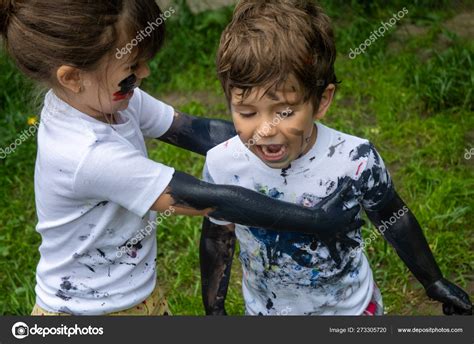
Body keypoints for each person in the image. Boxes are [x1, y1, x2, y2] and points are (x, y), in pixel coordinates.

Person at [0, 0, 361, 315]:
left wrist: (271, 137)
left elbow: (190, 129)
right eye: (132, 69)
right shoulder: (86, 153)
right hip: (85, 312)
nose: (145, 74)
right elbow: (208, 200)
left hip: (134, 293)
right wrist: (315, 220)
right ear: (72, 77)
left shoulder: (106, 101)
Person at [200, 0, 472, 316]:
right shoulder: (223, 165)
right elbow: (218, 237)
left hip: (352, 311)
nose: (265, 130)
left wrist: (434, 280)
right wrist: (214, 310)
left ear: (321, 100)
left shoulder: (354, 160)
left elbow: (392, 217)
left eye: (284, 111)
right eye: (246, 112)